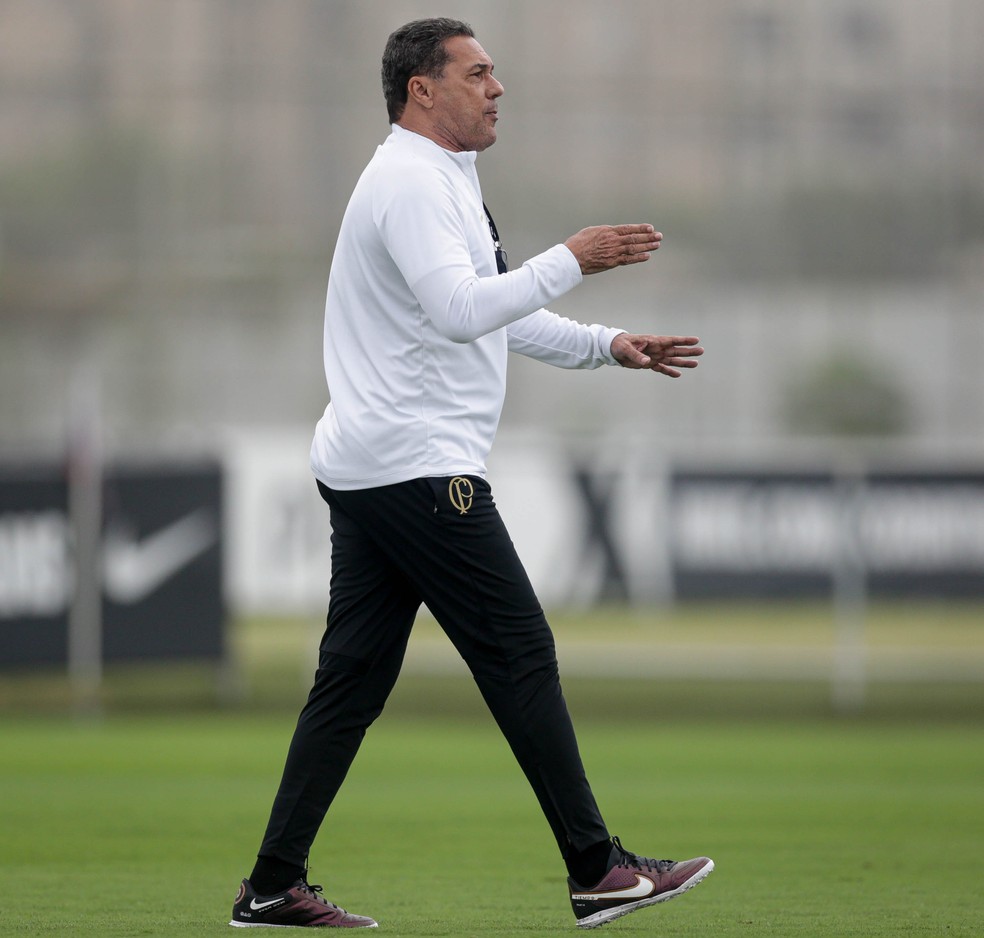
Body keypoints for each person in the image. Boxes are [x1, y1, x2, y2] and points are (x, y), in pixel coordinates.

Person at [230, 17, 711, 931]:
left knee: (352, 681)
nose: (497, 88)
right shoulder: (411, 180)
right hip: (416, 468)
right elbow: (461, 312)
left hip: (373, 465)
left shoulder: (442, 178)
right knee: (519, 651)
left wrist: (610, 345)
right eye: (479, 73)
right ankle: (596, 869)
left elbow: (487, 312)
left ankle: (270, 885)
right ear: (423, 89)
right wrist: (571, 258)